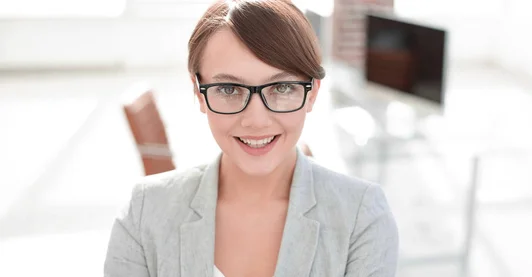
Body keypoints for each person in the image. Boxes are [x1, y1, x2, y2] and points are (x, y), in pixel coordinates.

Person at [104, 0, 399, 276]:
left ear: (312, 94)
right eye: (229, 90)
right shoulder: (144, 213)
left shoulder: (362, 218)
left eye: (282, 88)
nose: (256, 120)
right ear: (199, 94)